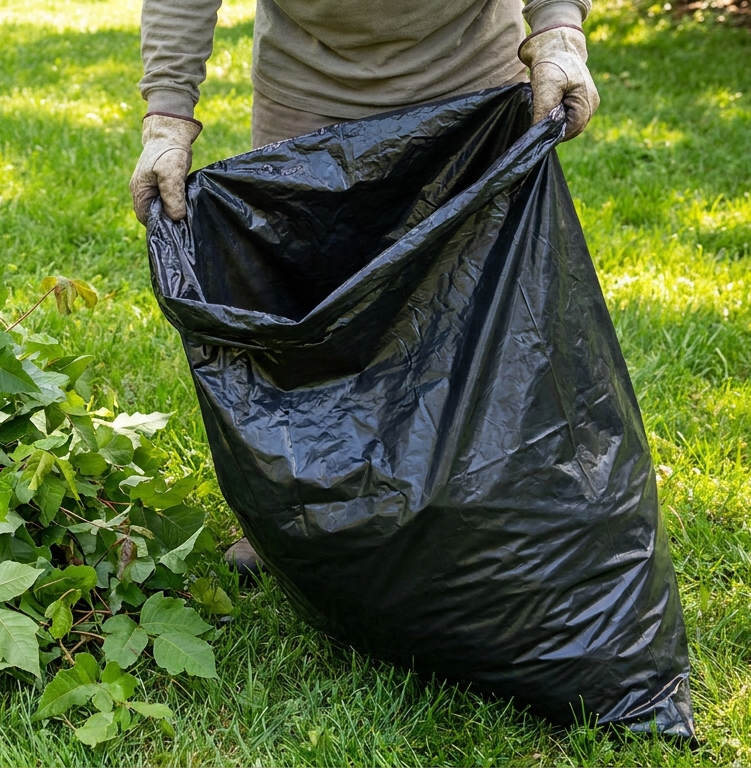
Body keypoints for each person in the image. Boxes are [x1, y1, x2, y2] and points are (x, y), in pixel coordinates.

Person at [130, 0, 600, 573]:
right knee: (317, 323)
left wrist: (557, 32)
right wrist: (167, 120)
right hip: (310, 91)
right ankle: (307, 514)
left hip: (468, 80)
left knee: (481, 319)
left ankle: (490, 505)